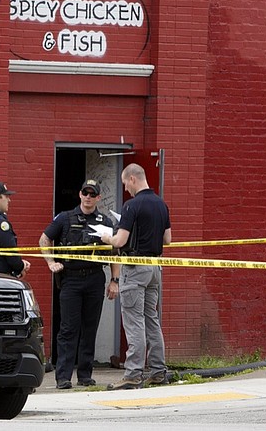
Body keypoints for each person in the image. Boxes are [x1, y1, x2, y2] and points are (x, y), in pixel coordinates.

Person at [39, 179, 120, 389]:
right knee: (68, 328)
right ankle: (63, 377)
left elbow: (115, 253)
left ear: (98, 198)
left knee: (90, 328)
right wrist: (51, 262)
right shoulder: (65, 218)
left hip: (94, 277)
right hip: (71, 279)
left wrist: (114, 281)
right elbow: (44, 239)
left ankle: (85, 375)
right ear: (80, 194)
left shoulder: (105, 222)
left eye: (93, 194)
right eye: (86, 193)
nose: (88, 197)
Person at [100, 163, 171, 390]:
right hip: (154, 268)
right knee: (152, 319)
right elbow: (167, 239)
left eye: (125, 184)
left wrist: (106, 238)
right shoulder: (161, 204)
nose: (126, 189)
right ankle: (158, 371)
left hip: (134, 267)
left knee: (134, 321)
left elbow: (120, 241)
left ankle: (133, 374)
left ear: (132, 179)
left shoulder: (131, 206)